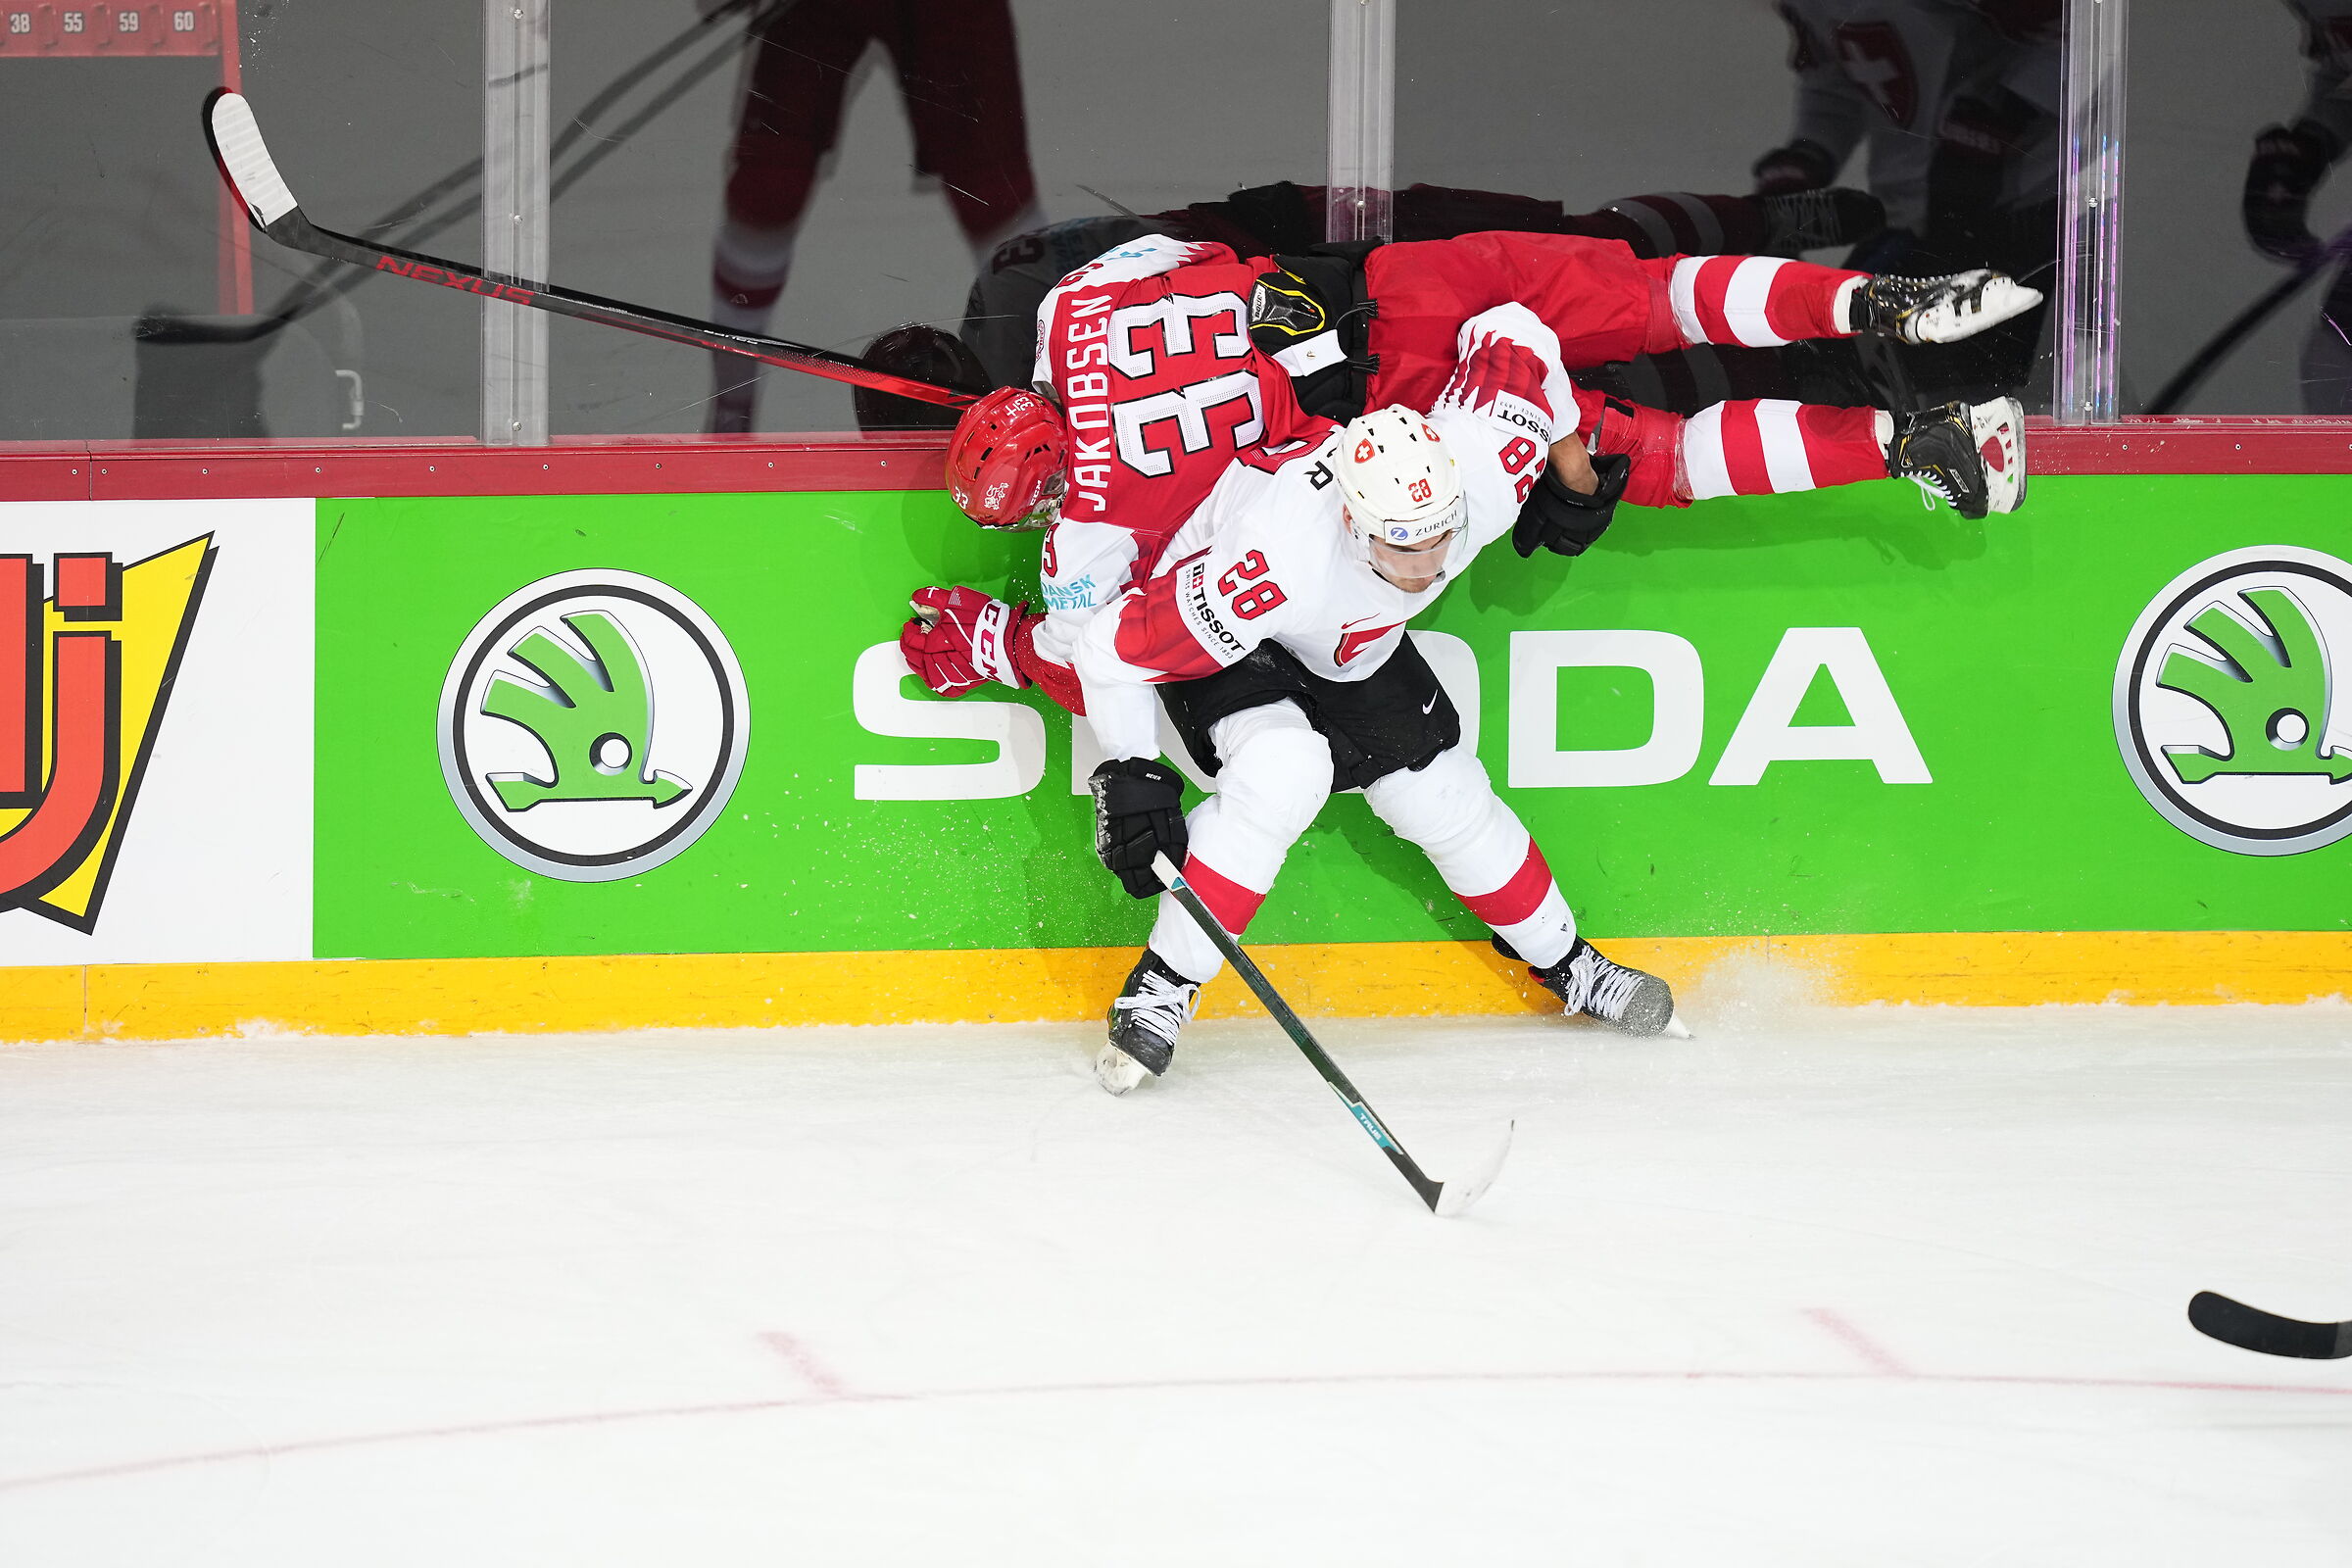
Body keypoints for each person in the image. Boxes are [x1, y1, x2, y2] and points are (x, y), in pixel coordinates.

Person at [1060, 306, 1674, 1091]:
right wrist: (1128, 771)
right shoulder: (1272, 564)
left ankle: (1569, 964)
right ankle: (1161, 991)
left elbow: (1517, 333)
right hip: (1243, 636)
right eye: (1401, 544)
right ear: (1354, 521)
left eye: (1440, 538)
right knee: (1285, 772)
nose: (1426, 565)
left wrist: (1573, 468)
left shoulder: (1485, 467)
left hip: (1347, 637)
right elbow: (1108, 649)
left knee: (1443, 795)